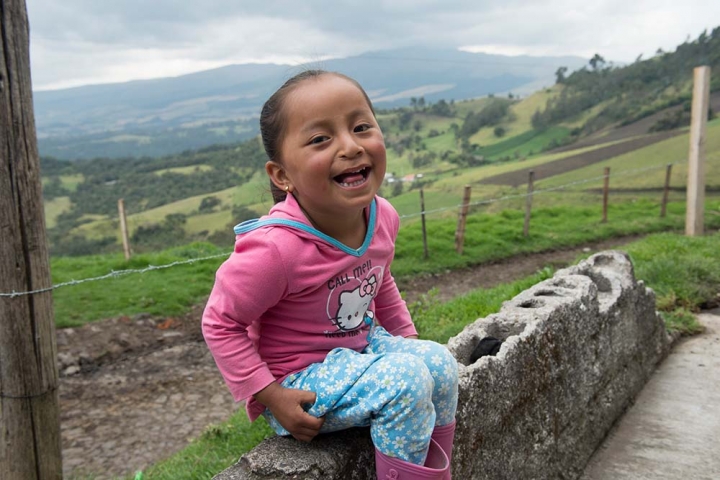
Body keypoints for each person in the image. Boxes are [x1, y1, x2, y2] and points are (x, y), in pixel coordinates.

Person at [202, 69, 459, 480]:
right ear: (282, 175)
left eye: (360, 127)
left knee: (439, 363)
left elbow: (379, 279)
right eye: (321, 139)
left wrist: (407, 342)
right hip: (299, 379)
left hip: (361, 351)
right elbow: (220, 322)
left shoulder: (382, 216)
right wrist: (272, 396)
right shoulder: (275, 250)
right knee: (408, 380)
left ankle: (431, 471)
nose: (351, 146)